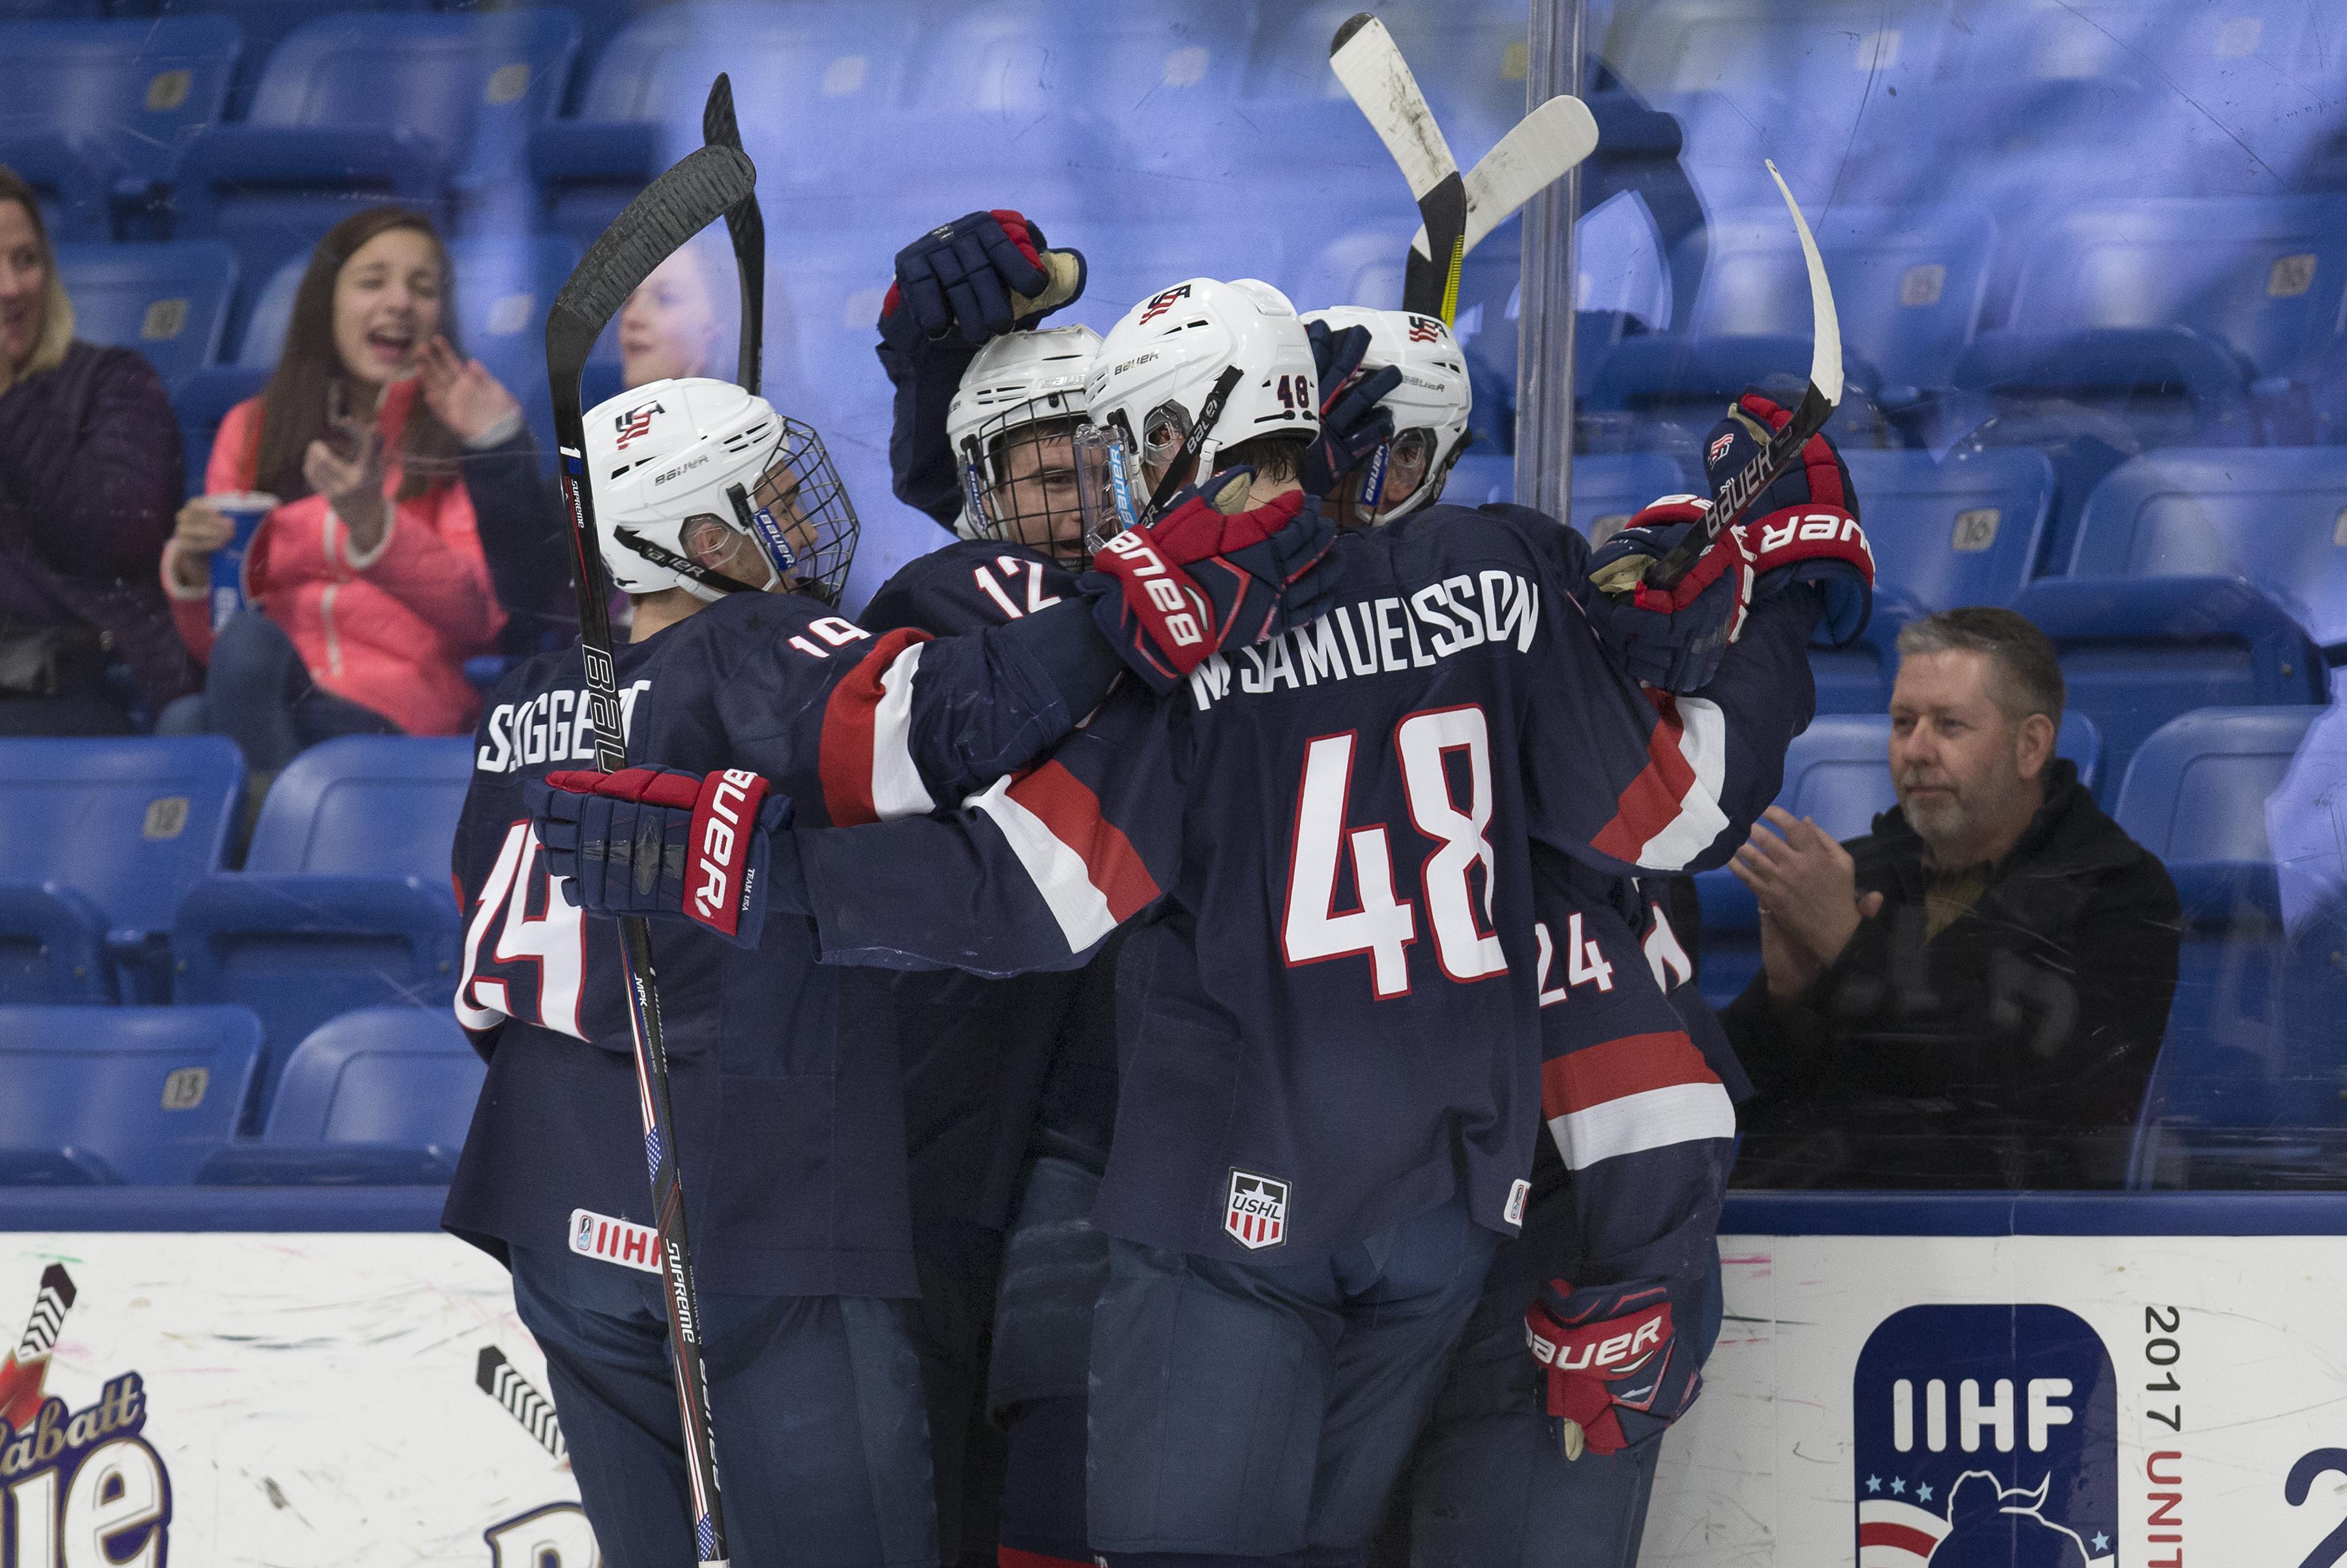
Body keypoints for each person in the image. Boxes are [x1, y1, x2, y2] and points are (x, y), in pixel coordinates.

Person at [531, 278, 1869, 1567]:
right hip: (1451, 1208)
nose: (1105, 481)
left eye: (1118, 445)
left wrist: (747, 866)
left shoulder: (1199, 649)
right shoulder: (1507, 569)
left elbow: (1024, 896)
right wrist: (1770, 612)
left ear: (1176, 435)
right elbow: (1675, 811)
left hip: (1243, 1191)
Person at [447, 365, 1340, 1568]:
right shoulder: (756, 644)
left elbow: (479, 926)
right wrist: (1122, 615)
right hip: (748, 1183)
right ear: (699, 538)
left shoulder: (530, 699)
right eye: (767, 497)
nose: (803, 519)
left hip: (544, 1180)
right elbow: (944, 721)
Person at [1724, 605, 2183, 1189]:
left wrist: (1849, 948)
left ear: (2031, 745)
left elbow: (2048, 1101)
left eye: (1948, 725)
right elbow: (1728, 1095)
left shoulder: (2119, 891)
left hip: (2003, 1253)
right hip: (1804, 1235)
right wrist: (1785, 1002)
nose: (1914, 750)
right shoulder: (1855, 871)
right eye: (1902, 722)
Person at [160, 206, 547, 775]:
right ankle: (283, 840)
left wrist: (373, 527)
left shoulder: (464, 431)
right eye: (373, 282)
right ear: (327, 303)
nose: (399, 303)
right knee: (191, 712)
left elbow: (482, 615)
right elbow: (218, 640)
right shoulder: (252, 428)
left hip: (398, 715)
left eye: (423, 288)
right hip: (270, 694)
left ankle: (271, 842)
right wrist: (195, 575)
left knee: (210, 703)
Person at [0, 164, 196, 733]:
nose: (11, 288)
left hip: (69, 677)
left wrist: (8, 399)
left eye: (26, 260)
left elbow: (119, 542)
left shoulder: (113, 382)